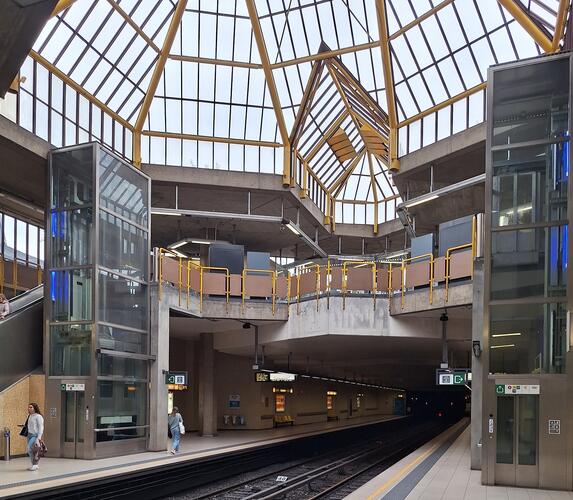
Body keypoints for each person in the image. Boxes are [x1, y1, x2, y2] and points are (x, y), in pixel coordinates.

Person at [26, 403, 44, 471]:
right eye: (28, 407)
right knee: (31, 450)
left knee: (30, 449)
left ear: (35, 408)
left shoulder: (38, 416)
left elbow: (41, 427)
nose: (29, 408)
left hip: (35, 435)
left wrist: (38, 438)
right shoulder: (29, 416)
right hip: (29, 435)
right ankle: (34, 465)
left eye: (31, 407)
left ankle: (35, 464)